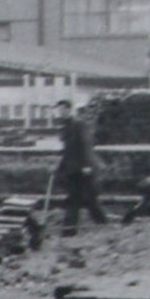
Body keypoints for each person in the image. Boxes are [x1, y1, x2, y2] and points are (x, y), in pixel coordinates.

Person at [52, 100, 107, 234]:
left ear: (69, 110)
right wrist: (58, 167)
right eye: (58, 110)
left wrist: (87, 165)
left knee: (82, 199)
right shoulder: (65, 126)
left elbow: (86, 145)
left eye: (62, 110)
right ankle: (101, 223)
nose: (60, 112)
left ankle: (71, 229)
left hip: (82, 168)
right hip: (72, 168)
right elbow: (67, 151)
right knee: (82, 199)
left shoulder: (79, 124)